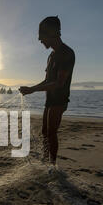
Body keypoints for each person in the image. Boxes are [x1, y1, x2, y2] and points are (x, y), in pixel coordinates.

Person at [19, 16, 75, 175]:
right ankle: (45, 161)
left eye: (41, 35)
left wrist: (33, 90)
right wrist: (31, 88)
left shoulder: (67, 53)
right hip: (50, 100)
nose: (39, 39)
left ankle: (52, 165)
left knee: (51, 132)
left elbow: (59, 83)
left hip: (60, 100)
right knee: (45, 131)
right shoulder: (51, 56)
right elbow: (47, 80)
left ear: (52, 34)